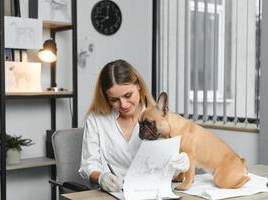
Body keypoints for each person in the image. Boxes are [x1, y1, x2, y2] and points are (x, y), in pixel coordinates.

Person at [79, 59, 189, 192]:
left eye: (128, 95)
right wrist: (102, 177)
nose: (123, 105)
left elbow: (168, 165)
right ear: (106, 97)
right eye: (114, 100)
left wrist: (179, 166)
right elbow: (89, 165)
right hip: (114, 193)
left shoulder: (157, 118)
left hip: (154, 192)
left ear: (138, 86)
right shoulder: (96, 119)